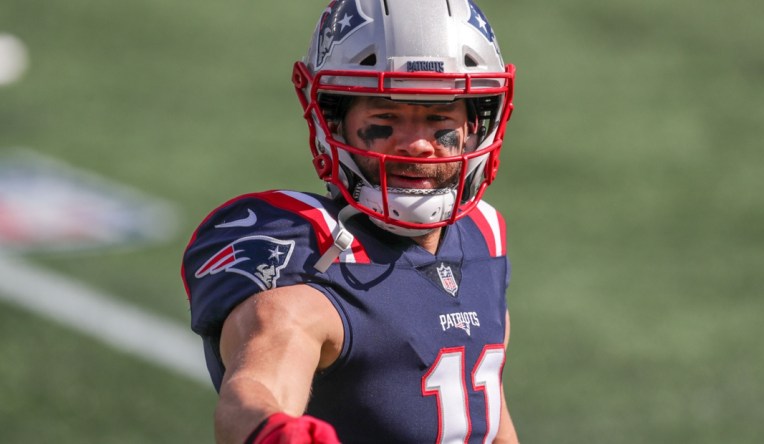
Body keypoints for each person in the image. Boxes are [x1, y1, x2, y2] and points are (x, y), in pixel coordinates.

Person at [181, 0, 519, 442]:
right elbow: (254, 389)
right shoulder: (306, 260)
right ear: (335, 124)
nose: (417, 144)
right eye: (385, 118)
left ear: (476, 125)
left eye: (439, 118)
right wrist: (276, 432)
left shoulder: (483, 238)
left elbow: (488, 419)